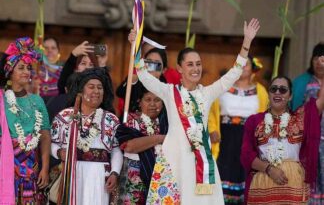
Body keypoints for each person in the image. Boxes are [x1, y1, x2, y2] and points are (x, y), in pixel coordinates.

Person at [135, 19, 260, 204]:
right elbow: (144, 76)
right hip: (175, 160)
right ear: (179, 68)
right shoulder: (169, 92)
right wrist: (135, 46)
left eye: (198, 64)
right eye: (190, 64)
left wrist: (247, 42)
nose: (196, 68)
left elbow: (233, 74)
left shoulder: (207, 93)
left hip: (200, 165)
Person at [241, 75, 324, 204]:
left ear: (290, 96)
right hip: (263, 184)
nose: (277, 92)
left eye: (283, 90)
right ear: (268, 94)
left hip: (293, 187)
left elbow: (321, 99)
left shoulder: (300, 118)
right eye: (273, 89)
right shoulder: (254, 121)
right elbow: (246, 155)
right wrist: (269, 169)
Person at [51, 67, 123, 205]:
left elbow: (115, 149)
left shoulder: (111, 119)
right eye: (91, 87)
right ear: (81, 91)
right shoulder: (65, 116)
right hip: (72, 174)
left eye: (100, 88)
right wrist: (59, 152)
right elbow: (52, 143)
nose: (96, 91)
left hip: (99, 177)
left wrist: (114, 173)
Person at [208, 56, 268, 204]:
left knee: (246, 176)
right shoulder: (222, 86)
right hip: (225, 139)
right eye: (239, 64)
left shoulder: (261, 91)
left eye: (246, 64)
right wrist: (212, 130)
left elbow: (266, 116)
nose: (242, 67)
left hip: (248, 139)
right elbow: (210, 112)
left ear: (252, 67)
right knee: (223, 175)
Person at [0, 37, 51, 204]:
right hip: (6, 166)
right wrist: (13, 163)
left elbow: (44, 135)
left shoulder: (37, 101)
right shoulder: (1, 99)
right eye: (20, 68)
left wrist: (44, 167)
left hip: (32, 168)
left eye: (28, 68)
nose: (26, 71)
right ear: (9, 71)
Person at [116, 87, 168, 204]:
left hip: (162, 178)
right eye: (148, 100)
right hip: (134, 179)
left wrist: (146, 141)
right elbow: (129, 146)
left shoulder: (168, 123)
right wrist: (161, 138)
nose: (152, 104)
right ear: (139, 102)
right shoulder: (131, 120)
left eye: (157, 100)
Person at [291, 42, 324, 204]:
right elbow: (294, 112)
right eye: (316, 58)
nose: (319, 62)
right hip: (308, 142)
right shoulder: (301, 82)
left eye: (323, 58)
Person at [57, 41, 114, 113]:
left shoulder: (98, 82)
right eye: (83, 63)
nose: (87, 67)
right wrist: (73, 56)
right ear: (76, 68)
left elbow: (108, 95)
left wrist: (102, 64)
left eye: (91, 64)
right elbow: (62, 86)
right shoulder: (71, 84)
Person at [33, 37, 63, 102]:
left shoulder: (64, 72)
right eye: (46, 48)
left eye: (53, 48)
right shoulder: (35, 71)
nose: (50, 51)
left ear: (58, 51)